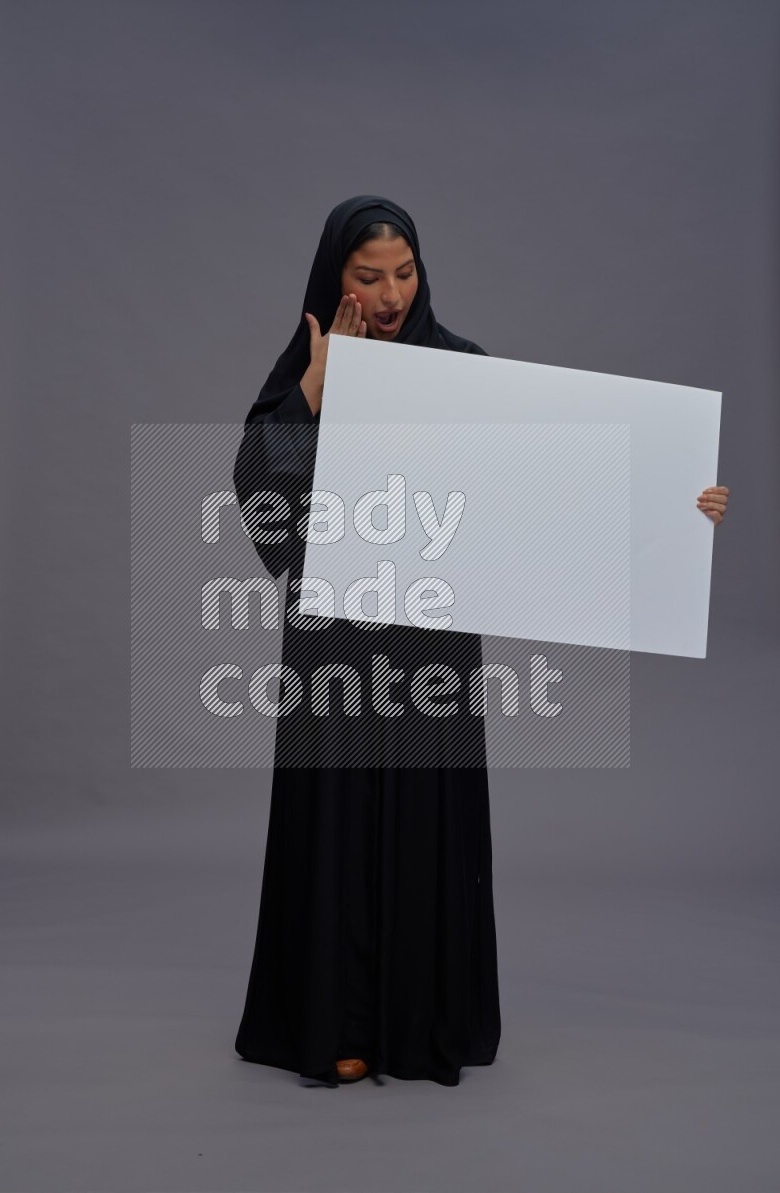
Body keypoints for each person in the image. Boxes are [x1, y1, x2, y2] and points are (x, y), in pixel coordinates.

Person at [232, 195, 730, 1089]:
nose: (389, 294)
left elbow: (550, 489)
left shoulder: (460, 370)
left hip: (429, 651)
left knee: (427, 823)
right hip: (336, 651)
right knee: (336, 824)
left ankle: (421, 1022)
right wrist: (318, 388)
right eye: (367, 275)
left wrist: (676, 504)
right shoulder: (304, 371)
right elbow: (263, 501)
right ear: (333, 280)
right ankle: (334, 1020)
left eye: (404, 272)